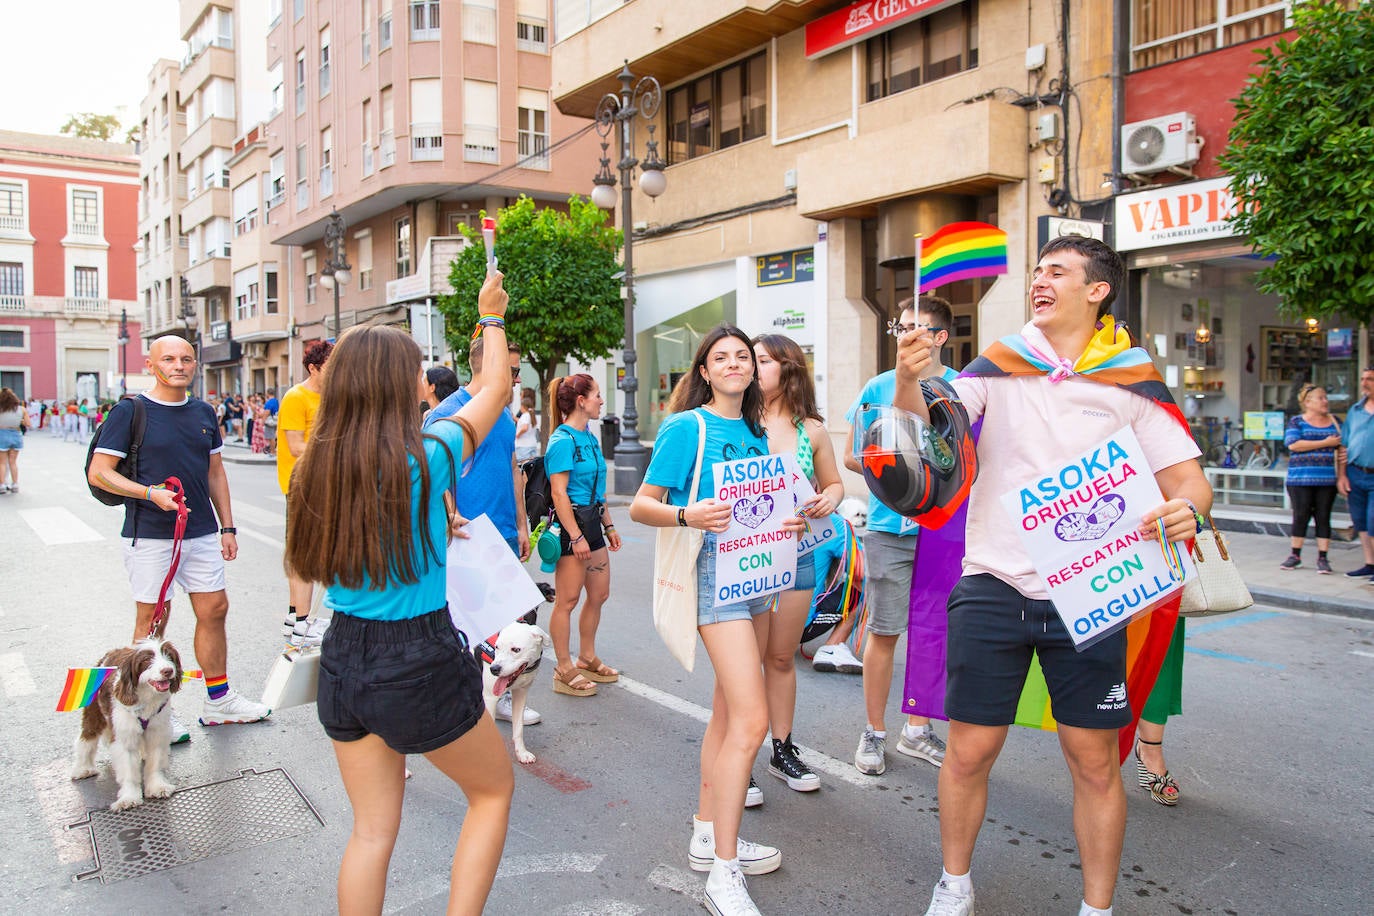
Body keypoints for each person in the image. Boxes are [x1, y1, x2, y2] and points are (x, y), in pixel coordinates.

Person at [895, 236, 1213, 916]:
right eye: (1037, 270)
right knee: (969, 752)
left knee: (1094, 764)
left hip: (1090, 592)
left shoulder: (1130, 378)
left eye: (1057, 271)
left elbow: (1188, 480)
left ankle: (1096, 908)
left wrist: (1187, 508)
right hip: (992, 585)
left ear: (1096, 290)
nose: (1040, 279)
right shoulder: (1000, 363)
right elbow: (936, 423)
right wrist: (908, 376)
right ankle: (954, 885)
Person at [284, 272, 514, 916]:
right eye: (417, 370)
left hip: (344, 656)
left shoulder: (317, 466)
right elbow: (494, 386)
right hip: (416, 655)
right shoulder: (428, 451)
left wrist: (438, 521)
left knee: (371, 832)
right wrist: (490, 316)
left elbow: (372, 527)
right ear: (392, 383)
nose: (426, 379)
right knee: (492, 794)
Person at [630, 324, 806, 916]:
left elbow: (763, 508)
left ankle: (708, 834)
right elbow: (640, 505)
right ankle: (723, 874)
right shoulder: (688, 427)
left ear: (754, 372)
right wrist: (688, 515)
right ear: (704, 371)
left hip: (758, 579)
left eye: (743, 357)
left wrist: (790, 523)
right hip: (714, 581)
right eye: (721, 357)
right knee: (752, 719)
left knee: (729, 712)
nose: (734, 364)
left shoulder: (755, 430)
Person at [88, 336, 271, 744]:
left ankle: (219, 701)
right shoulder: (130, 411)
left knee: (215, 609)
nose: (179, 365)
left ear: (195, 365)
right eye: (168, 358)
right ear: (151, 364)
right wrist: (149, 493)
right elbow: (99, 472)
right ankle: (145, 716)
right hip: (150, 534)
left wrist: (227, 526)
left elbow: (215, 473)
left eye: (186, 358)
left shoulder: (203, 411)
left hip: (202, 530)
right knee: (153, 621)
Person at [845, 295, 958, 777]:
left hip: (945, 535)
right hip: (890, 530)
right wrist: (892, 474)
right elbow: (853, 454)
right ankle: (874, 732)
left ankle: (918, 729)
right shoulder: (877, 386)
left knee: (935, 634)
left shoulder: (962, 388)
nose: (907, 336)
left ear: (940, 338)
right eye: (902, 327)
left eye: (919, 328)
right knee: (885, 631)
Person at [749, 333, 844, 798]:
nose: (751, 367)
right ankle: (737, 756)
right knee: (743, 664)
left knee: (781, 657)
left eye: (761, 360)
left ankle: (781, 748)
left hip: (797, 553)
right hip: (742, 559)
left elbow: (834, 484)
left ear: (788, 368)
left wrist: (828, 499)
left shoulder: (813, 430)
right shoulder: (733, 421)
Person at [425, 340, 538, 726]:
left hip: (504, 531)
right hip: (467, 537)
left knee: (503, 627)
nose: (518, 378)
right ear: (487, 367)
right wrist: (451, 512)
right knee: (464, 627)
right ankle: (463, 705)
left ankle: (498, 698)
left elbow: (511, 470)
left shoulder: (504, 415)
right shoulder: (448, 412)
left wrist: (521, 525)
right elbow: (431, 468)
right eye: (512, 369)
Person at [544, 374, 622, 697]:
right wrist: (576, 537)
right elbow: (559, 494)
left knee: (599, 594)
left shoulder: (588, 437)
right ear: (581, 401)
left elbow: (596, 490)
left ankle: (587, 656)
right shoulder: (562, 441)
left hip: (591, 522)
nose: (601, 401)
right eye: (597, 396)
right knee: (567, 600)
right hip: (570, 526)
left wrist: (609, 525)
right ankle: (563, 667)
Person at [276, 340, 334, 646]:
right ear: (313, 368)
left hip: (321, 484)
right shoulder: (296, 397)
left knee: (309, 554)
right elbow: (295, 445)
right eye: (330, 365)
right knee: (302, 556)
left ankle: (294, 617)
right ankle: (302, 622)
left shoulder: (329, 397)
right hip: (301, 486)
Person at [1280, 384, 1342, 572]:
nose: (1325, 401)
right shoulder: (1297, 422)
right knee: (1301, 515)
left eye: (1325, 397)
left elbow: (1344, 446)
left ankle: (1323, 558)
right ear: (1308, 402)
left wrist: (1343, 467)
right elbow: (1293, 445)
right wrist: (1326, 443)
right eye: (1321, 398)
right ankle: (1295, 555)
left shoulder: (1335, 421)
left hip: (1327, 479)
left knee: (1323, 516)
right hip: (1300, 479)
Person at [0, 387, 25, 493]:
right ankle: (15, 484)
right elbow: (28, 424)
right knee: (13, 462)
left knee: (2, 463)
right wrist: (20, 420)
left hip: (2, 434)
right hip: (15, 434)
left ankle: (2, 485)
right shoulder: (21, 409)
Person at [514, 389, 539, 462]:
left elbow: (525, 427)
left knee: (523, 467)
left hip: (523, 445)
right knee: (530, 467)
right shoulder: (531, 415)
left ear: (523, 406)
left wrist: (518, 435)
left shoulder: (525, 415)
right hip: (532, 444)